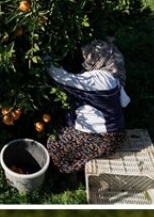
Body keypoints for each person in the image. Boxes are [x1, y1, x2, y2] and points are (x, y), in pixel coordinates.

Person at [44, 38, 130, 178]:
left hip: (104, 139)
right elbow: (124, 101)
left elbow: (62, 78)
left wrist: (45, 57)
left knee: (54, 144)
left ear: (99, 59)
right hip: (115, 134)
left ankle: (67, 175)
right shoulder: (112, 77)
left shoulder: (100, 80)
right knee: (62, 128)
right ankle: (80, 162)